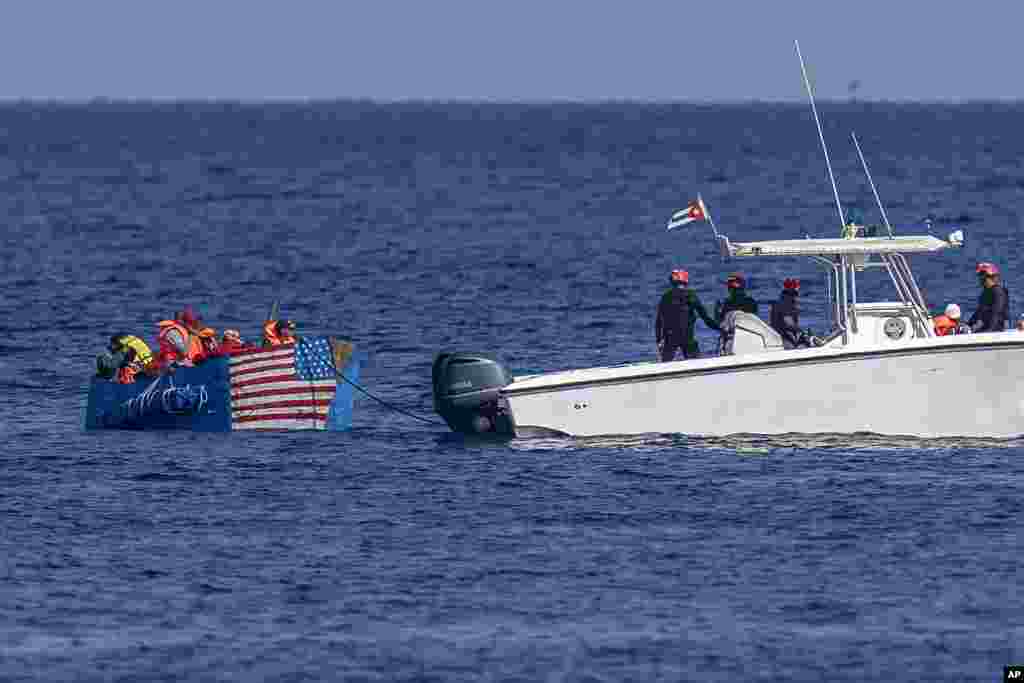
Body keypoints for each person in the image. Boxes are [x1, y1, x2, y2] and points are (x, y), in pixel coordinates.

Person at [655, 269, 720, 362]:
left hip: (669, 339)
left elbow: (658, 322)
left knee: (665, 363)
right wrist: (719, 328)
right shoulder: (691, 295)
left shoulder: (666, 297)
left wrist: (658, 340)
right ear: (685, 281)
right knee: (696, 364)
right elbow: (705, 318)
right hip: (687, 338)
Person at [770, 278, 815, 348]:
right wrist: (802, 332)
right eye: (796, 290)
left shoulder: (781, 300)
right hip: (783, 336)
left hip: (780, 334)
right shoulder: (786, 303)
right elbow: (788, 322)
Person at [967, 262, 1010, 332]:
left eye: (981, 276)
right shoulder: (985, 293)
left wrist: (990, 330)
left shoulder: (998, 292)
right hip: (987, 328)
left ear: (987, 277)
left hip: (996, 330)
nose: (979, 279)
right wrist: (968, 325)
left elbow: (997, 313)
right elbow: (978, 313)